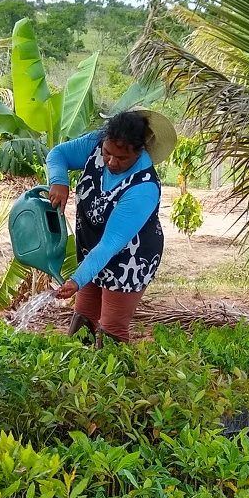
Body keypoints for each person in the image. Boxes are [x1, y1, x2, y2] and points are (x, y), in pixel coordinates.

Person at [46, 108, 177, 343]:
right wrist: (59, 181)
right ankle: (75, 377)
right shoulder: (95, 145)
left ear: (139, 152)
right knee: (83, 320)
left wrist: (77, 280)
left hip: (131, 259)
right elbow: (58, 155)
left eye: (122, 158)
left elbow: (111, 244)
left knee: (112, 329)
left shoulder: (143, 187)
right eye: (107, 153)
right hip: (92, 249)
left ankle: (116, 379)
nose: (112, 162)